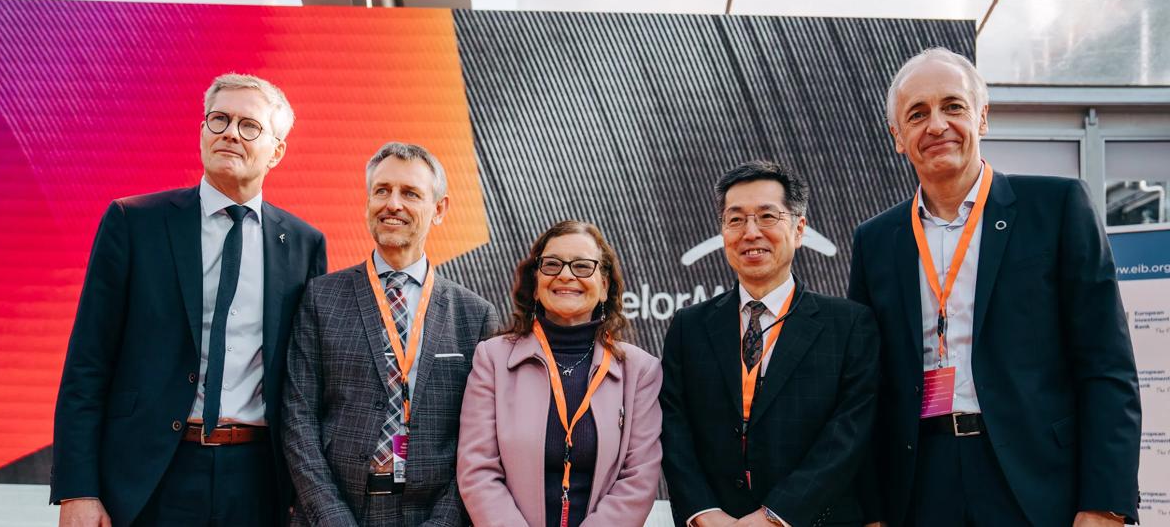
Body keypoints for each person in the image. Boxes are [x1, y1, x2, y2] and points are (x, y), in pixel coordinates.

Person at [849, 47, 1141, 527]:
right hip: (920, 483)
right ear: (897, 138)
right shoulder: (876, 241)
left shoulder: (1058, 208)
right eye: (917, 114)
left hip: (1037, 480)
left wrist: (1105, 504)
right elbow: (866, 388)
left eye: (953, 106)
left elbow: (1106, 366)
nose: (937, 125)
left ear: (982, 117)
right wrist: (870, 510)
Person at [50, 73, 328, 526]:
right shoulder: (134, 223)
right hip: (148, 476)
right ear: (202, 131)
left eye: (249, 125)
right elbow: (87, 364)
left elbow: (305, 380)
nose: (230, 133)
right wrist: (78, 489)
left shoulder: (302, 244)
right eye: (218, 120)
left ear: (277, 150)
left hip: (257, 482)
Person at [283, 141, 498, 526]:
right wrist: (330, 516)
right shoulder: (320, 297)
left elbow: (481, 440)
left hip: (429, 513)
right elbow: (297, 416)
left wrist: (444, 521)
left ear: (439, 209)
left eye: (410, 193)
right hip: (336, 510)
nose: (392, 204)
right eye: (381, 190)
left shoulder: (474, 316)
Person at [660, 162, 879, 527]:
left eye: (767, 216)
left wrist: (775, 516)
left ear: (799, 229)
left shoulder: (850, 324)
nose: (750, 233)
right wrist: (704, 513)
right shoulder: (690, 326)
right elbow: (672, 427)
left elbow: (848, 435)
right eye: (736, 220)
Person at [458, 220, 663, 527]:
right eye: (552, 265)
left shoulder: (641, 371)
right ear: (536, 282)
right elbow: (478, 470)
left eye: (583, 266)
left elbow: (638, 480)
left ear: (605, 286)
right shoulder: (492, 359)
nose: (566, 275)